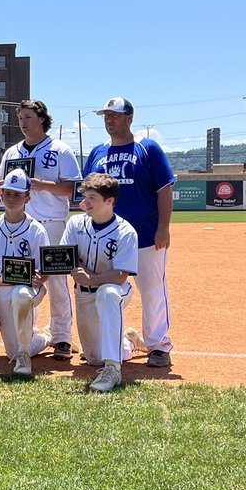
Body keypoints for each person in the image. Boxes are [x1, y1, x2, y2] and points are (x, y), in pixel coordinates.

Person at [82, 97, 175, 368]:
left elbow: (164, 190)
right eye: (106, 116)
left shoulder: (147, 148)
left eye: (115, 115)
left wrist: (163, 228)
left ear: (129, 118)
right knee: (106, 288)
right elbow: (88, 193)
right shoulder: (98, 152)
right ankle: (118, 342)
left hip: (146, 236)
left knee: (152, 290)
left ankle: (158, 345)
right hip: (106, 237)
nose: (109, 120)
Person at [0, 99, 81, 361]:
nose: (23, 122)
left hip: (52, 223)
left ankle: (63, 337)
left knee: (57, 282)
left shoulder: (60, 149)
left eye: (28, 117)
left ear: (42, 119)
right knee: (22, 279)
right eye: (20, 117)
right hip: (21, 227)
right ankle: (30, 334)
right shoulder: (11, 153)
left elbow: (74, 189)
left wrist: (44, 184)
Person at [61, 172, 139, 392]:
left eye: (91, 198)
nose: (84, 202)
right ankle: (129, 341)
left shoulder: (126, 232)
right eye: (85, 197)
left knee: (108, 293)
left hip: (116, 290)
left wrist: (92, 279)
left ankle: (113, 370)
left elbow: (121, 276)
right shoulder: (75, 223)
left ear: (110, 201)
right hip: (84, 293)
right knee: (94, 358)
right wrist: (75, 269)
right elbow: (65, 256)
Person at [0, 169, 51, 377]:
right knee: (10, 350)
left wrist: (40, 278)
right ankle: (47, 337)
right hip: (2, 287)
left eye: (17, 194)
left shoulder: (36, 229)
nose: (11, 198)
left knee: (21, 295)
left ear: (27, 197)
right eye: (8, 193)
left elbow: (45, 271)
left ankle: (23, 355)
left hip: (29, 289)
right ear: (1, 194)